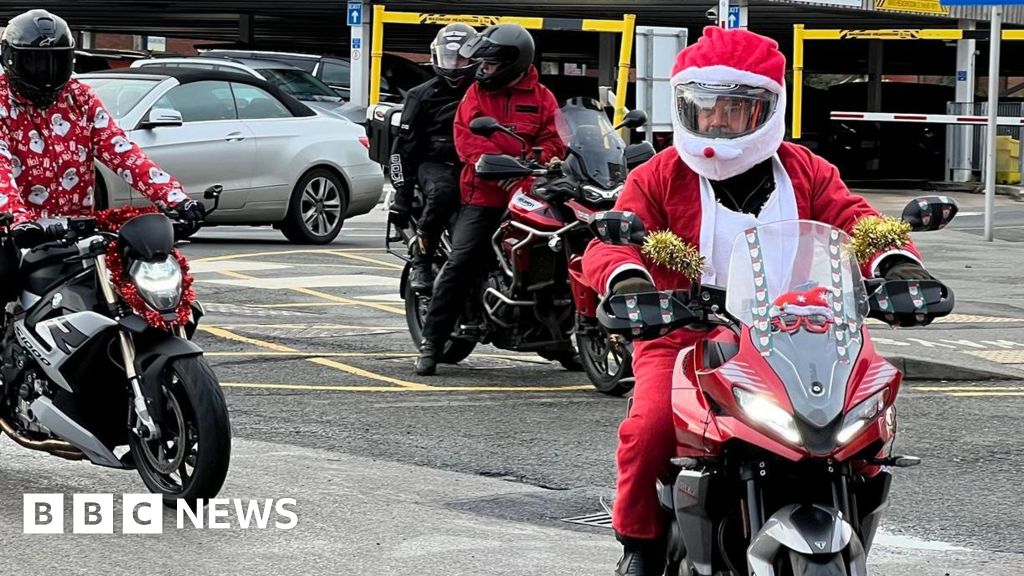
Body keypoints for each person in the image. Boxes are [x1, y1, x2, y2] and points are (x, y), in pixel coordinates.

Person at [581, 27, 936, 576]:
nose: (717, 122)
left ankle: (855, 507)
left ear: (768, 110)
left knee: (866, 419)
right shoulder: (660, 173)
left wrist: (898, 265)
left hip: (802, 330)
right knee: (650, 426)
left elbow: (854, 218)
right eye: (704, 108)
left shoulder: (806, 169)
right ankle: (641, 546)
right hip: (684, 332)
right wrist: (629, 283)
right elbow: (616, 241)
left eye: (734, 109)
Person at [414, 23, 565, 376]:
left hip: (529, 191)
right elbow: (466, 140)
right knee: (462, 261)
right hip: (482, 193)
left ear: (514, 63)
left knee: (559, 250)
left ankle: (562, 336)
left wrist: (538, 162)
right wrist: (499, 164)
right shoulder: (475, 95)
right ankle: (431, 342)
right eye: (482, 63)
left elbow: (556, 138)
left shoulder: (543, 97)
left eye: (491, 64)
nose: (483, 69)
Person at [0, 9, 202, 245]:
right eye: (35, 63)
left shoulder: (79, 96)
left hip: (76, 230)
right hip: (15, 235)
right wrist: (17, 220)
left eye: (57, 62)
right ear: (10, 60)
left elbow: (121, 151)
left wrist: (175, 198)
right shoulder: (2, 101)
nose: (47, 74)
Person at [389, 23, 480, 293]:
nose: (454, 66)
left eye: (460, 59)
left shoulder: (484, 92)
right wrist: (402, 196)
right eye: (448, 58)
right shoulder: (420, 95)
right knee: (444, 191)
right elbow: (402, 149)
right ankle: (422, 258)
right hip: (435, 162)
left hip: (477, 163)